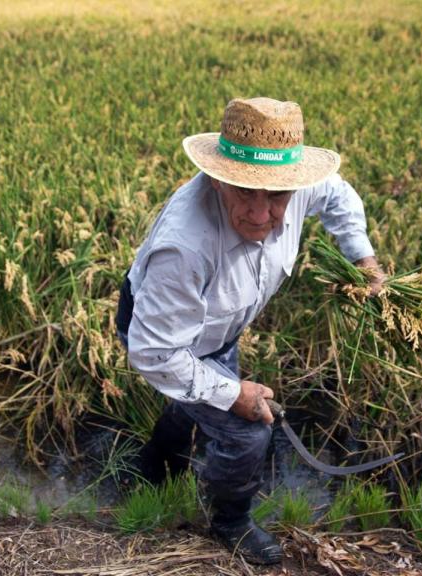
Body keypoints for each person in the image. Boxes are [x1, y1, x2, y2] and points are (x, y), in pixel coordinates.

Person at [115, 96, 384, 565]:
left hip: (218, 330)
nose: (261, 214)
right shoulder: (184, 246)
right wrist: (233, 393)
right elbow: (155, 354)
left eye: (276, 196)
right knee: (246, 433)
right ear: (218, 179)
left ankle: (154, 463)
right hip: (164, 338)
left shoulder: (301, 187)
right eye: (245, 192)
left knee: (197, 399)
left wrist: (363, 259)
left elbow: (338, 194)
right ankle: (231, 522)